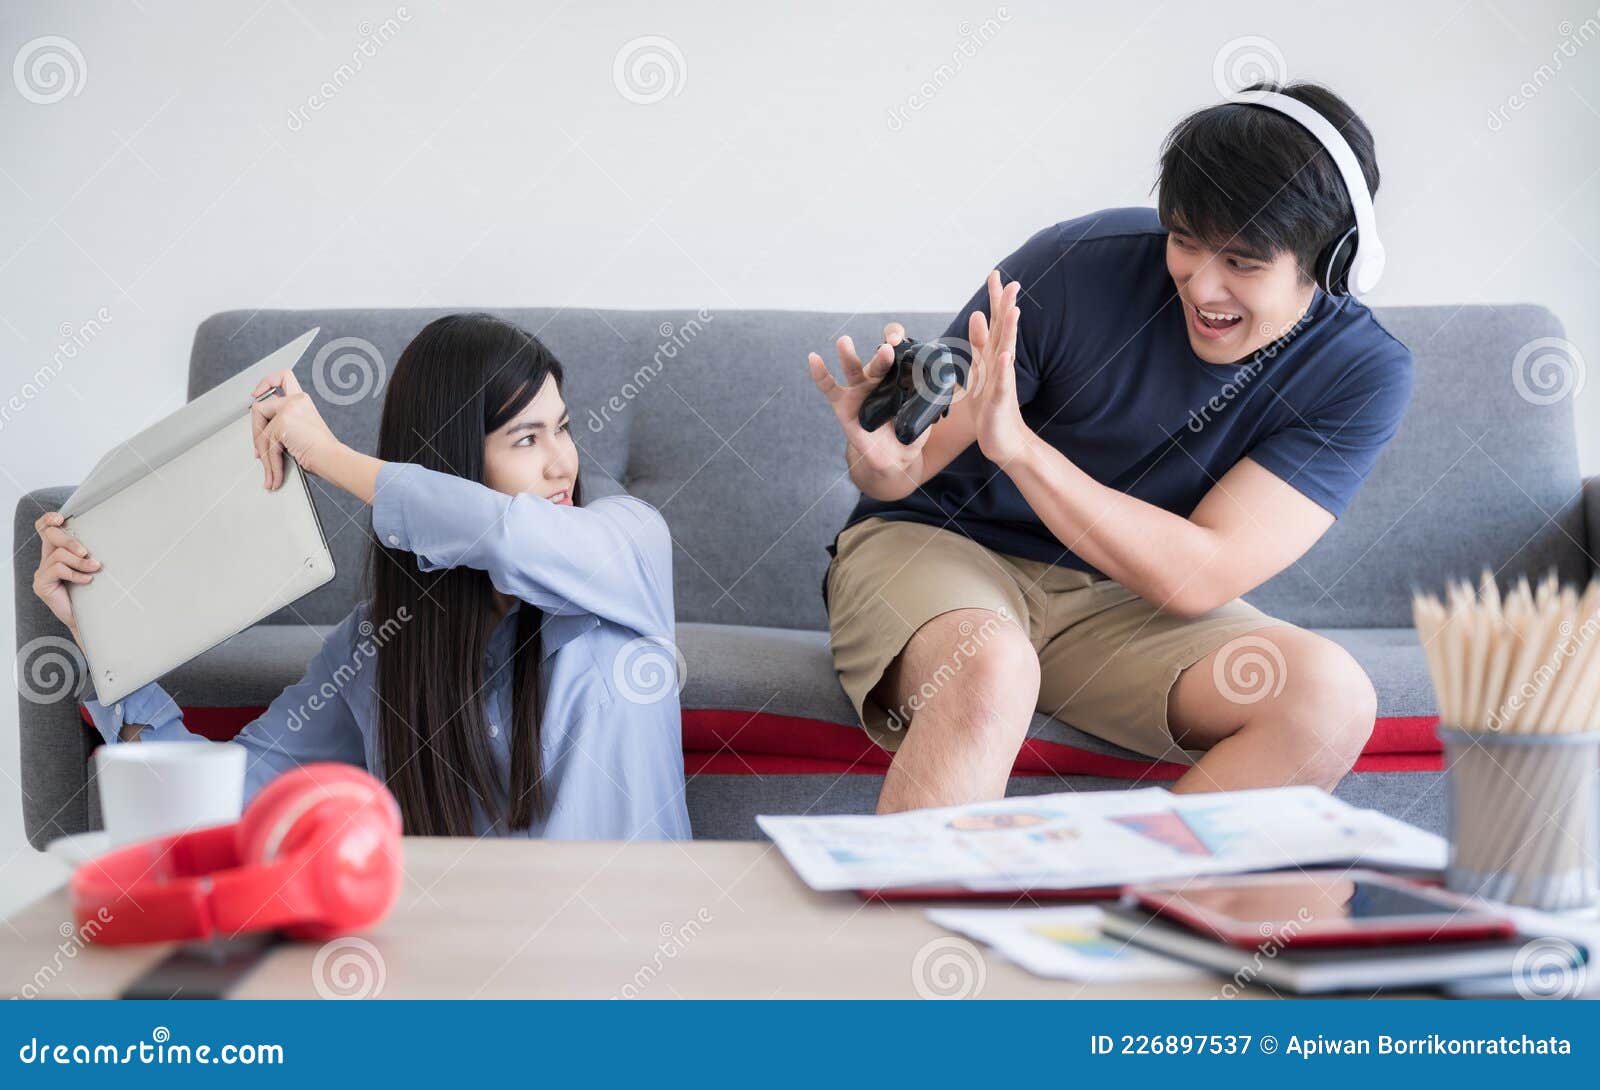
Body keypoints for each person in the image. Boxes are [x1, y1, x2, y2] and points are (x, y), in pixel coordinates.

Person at [809, 81, 1413, 813]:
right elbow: (908, 468)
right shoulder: (1077, 266)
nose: (1202, 284)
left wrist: (1023, 451)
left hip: (1119, 602)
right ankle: (915, 933)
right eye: (1185, 240)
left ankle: (1132, 915)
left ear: (1335, 260)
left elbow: (1198, 575)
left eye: (1244, 263)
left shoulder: (1360, 370)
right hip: (939, 547)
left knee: (1328, 700)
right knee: (991, 665)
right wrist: (882, 459)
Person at [33, 313, 690, 839]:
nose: (562, 464)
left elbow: (507, 534)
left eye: (563, 430)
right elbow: (230, 805)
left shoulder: (630, 545)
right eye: (527, 439)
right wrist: (104, 631)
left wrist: (329, 458)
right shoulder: (376, 649)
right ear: (456, 463)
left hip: (628, 984)